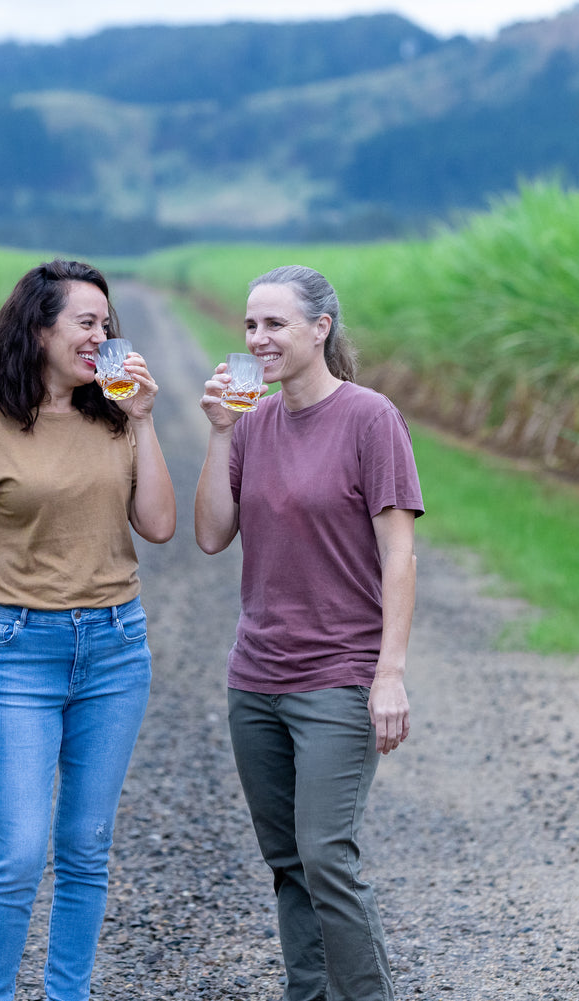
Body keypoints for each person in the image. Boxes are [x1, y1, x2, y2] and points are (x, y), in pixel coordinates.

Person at [0, 259, 176, 1001]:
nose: (101, 335)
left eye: (107, 324)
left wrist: (144, 419)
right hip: (17, 655)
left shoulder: (115, 417)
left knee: (84, 849)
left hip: (114, 650)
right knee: (18, 854)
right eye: (85, 322)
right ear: (38, 329)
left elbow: (161, 525)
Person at [194, 265, 423, 1001]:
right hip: (255, 680)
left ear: (320, 328)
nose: (258, 338)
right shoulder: (253, 425)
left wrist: (388, 673)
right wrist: (219, 434)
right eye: (251, 325)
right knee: (289, 860)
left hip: (339, 675)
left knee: (327, 855)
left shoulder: (369, 418)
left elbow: (399, 555)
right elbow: (209, 534)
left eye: (275, 324)